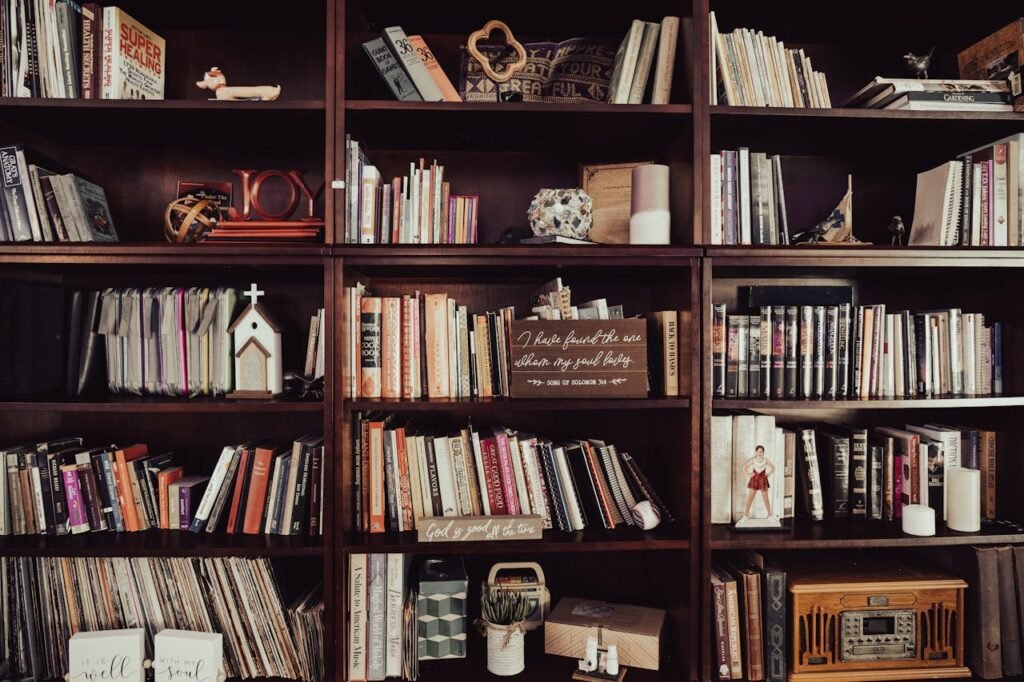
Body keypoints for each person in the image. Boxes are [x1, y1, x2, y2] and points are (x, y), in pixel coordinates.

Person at [742, 445, 775, 519]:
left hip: (763, 480)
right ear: (756, 452)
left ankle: (770, 515)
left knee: (766, 499)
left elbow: (773, 468)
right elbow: (744, 468)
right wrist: (749, 474)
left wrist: (768, 474)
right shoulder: (752, 460)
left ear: (763, 453)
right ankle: (745, 515)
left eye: (761, 452)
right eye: (758, 451)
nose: (759, 453)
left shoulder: (766, 460)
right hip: (754, 480)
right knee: (750, 498)